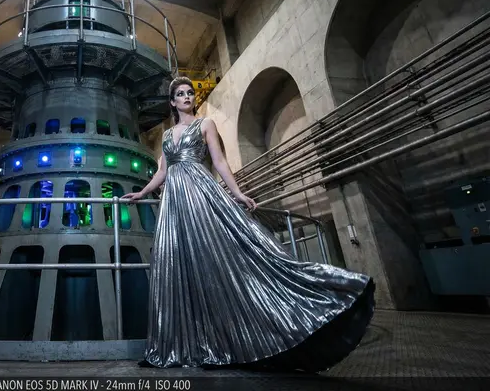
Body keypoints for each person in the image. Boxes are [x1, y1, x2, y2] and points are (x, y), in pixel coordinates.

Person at [121, 77, 375, 372]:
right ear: (173, 102)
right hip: (174, 204)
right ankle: (183, 346)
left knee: (216, 260)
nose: (187, 96)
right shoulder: (166, 137)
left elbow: (219, 162)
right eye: (181, 94)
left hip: (201, 195)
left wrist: (238, 193)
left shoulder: (205, 125)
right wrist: (142, 192)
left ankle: (229, 341)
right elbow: (163, 171)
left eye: (190, 92)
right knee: (175, 264)